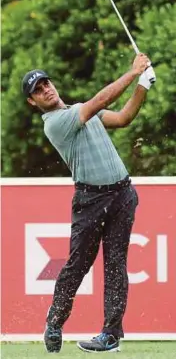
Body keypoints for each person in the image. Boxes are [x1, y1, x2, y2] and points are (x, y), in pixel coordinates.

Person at [22, 53, 154, 353]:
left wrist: (143, 86)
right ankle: (55, 321)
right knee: (77, 265)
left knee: (116, 265)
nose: (46, 89)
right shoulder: (56, 122)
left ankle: (110, 334)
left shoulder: (79, 110)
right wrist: (133, 72)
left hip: (123, 194)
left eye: (46, 83)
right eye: (38, 90)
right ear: (33, 102)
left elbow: (122, 118)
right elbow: (98, 101)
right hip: (90, 199)